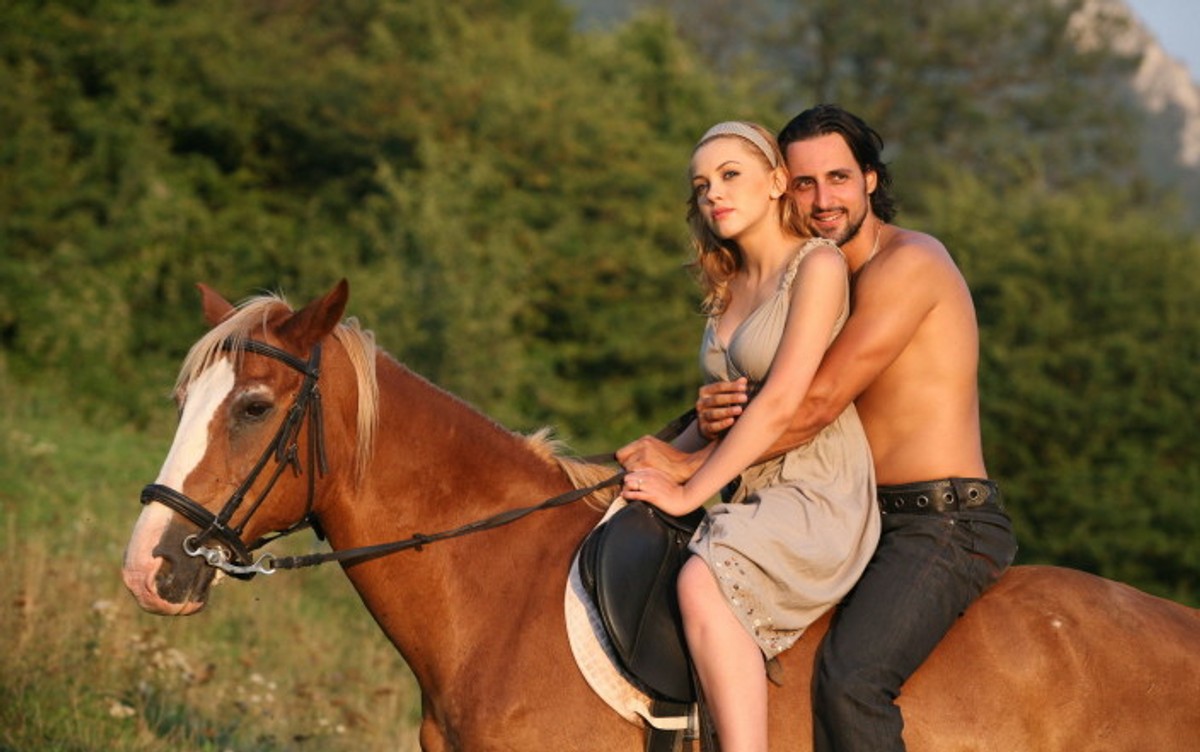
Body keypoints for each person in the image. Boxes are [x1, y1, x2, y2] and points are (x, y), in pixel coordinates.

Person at [618, 104, 1018, 751]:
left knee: (852, 681)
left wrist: (690, 469)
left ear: (870, 179)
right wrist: (708, 417)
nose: (823, 199)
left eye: (838, 178)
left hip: (941, 520)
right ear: (785, 187)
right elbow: (767, 390)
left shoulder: (907, 264)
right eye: (805, 183)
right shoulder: (810, 272)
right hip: (860, 510)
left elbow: (815, 403)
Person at [619, 120, 880, 752]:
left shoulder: (817, 265)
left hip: (816, 486)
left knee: (702, 581)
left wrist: (688, 490)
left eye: (730, 175)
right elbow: (734, 409)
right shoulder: (727, 283)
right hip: (748, 487)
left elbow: (783, 401)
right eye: (701, 185)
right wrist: (661, 457)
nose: (713, 193)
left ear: (776, 182)